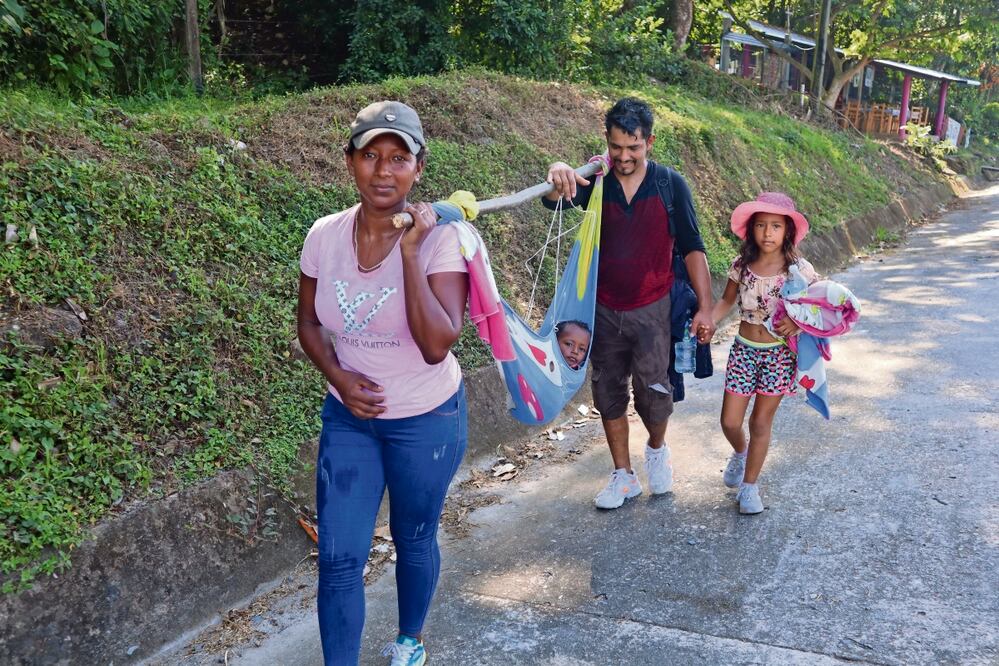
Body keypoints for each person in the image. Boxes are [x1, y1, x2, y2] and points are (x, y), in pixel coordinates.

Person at [297, 100, 469, 666]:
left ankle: (410, 639)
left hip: (426, 419)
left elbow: (437, 342)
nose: (383, 171)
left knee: (413, 537)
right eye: (370, 156)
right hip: (351, 419)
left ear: (419, 167)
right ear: (350, 162)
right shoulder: (324, 235)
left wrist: (412, 253)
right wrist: (340, 378)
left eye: (398, 158)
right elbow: (309, 323)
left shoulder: (442, 240)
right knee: (339, 559)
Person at [543, 97, 716, 510]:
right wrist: (559, 172)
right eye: (616, 146)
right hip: (600, 309)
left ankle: (656, 449)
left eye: (633, 147)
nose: (623, 156)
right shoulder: (595, 181)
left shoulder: (668, 185)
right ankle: (623, 475)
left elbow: (693, 248)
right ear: (606, 139)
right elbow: (552, 200)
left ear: (649, 142)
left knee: (656, 395)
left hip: (654, 309)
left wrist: (706, 308)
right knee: (607, 392)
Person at [709, 192, 817, 515]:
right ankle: (741, 454)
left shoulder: (799, 270)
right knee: (730, 421)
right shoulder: (741, 266)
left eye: (775, 226)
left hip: (779, 355)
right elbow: (727, 301)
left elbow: (818, 307)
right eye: (761, 226)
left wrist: (798, 325)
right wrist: (709, 322)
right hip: (744, 351)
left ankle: (750, 486)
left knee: (760, 421)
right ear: (751, 230)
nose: (767, 233)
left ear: (788, 232)